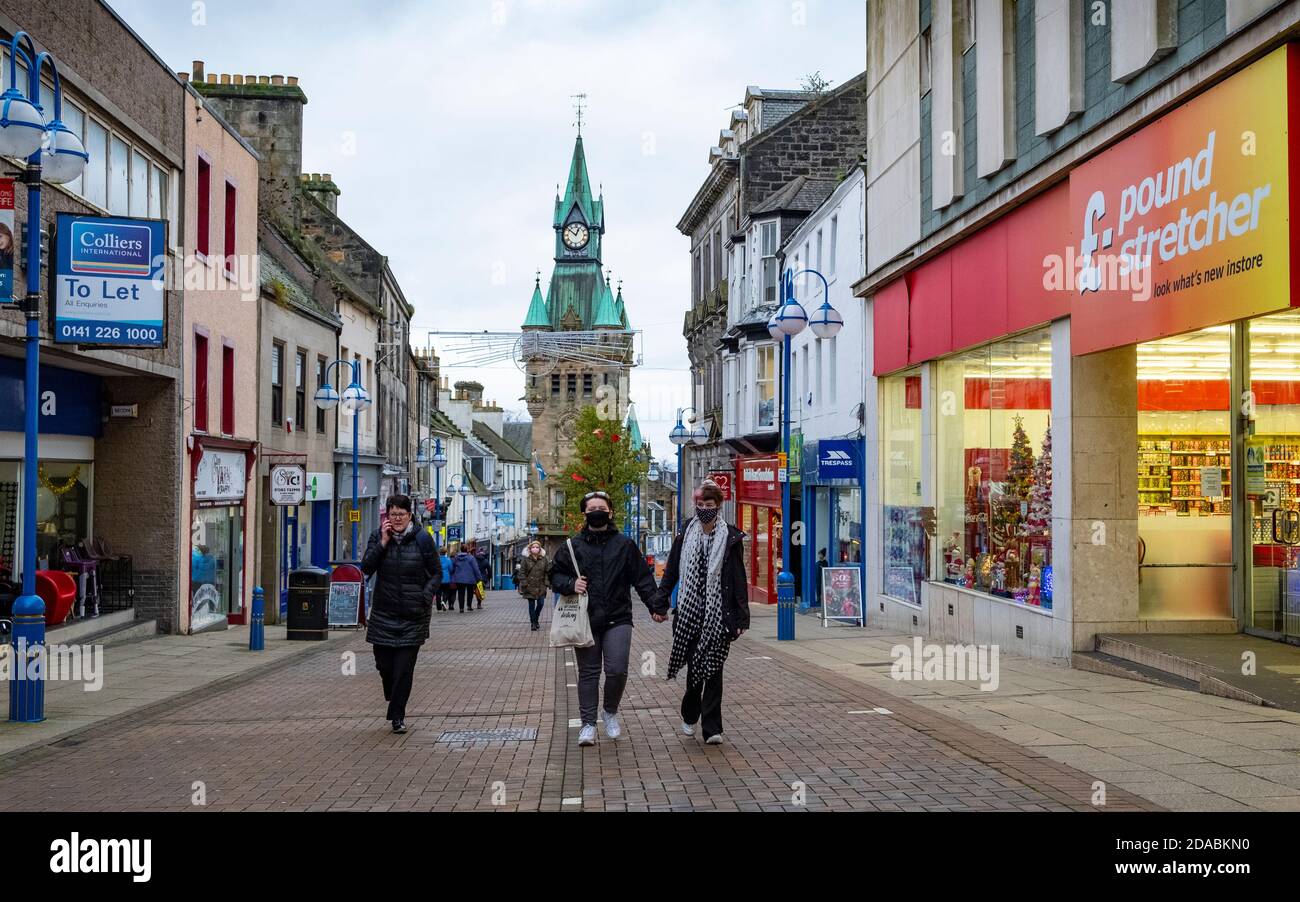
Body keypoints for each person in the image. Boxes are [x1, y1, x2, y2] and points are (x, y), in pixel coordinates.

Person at [551, 490, 664, 747]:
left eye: (601, 508)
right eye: (592, 509)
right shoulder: (572, 546)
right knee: (589, 673)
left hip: (618, 616)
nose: (597, 512)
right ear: (585, 514)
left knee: (617, 669)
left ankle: (610, 712)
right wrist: (570, 583)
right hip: (586, 618)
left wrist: (656, 607)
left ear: (610, 512)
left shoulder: (624, 545)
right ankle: (588, 724)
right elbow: (554, 577)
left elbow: (643, 579)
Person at [657, 480, 750, 746]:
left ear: (718, 506)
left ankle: (712, 728)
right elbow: (672, 570)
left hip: (719, 615)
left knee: (714, 671)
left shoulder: (731, 538)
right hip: (689, 613)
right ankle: (689, 714)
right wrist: (660, 602)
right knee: (695, 669)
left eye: (709, 505)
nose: (704, 509)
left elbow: (738, 579)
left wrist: (741, 617)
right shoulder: (685, 533)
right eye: (700, 505)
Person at [361, 495, 441, 734]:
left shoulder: (423, 539)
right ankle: (392, 693)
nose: (396, 519)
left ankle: (397, 716)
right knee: (384, 665)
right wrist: (383, 543)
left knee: (403, 670)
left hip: (413, 615)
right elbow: (366, 568)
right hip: (384, 612)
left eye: (401, 515)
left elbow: (436, 574)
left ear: (410, 515)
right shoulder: (378, 537)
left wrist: (423, 598)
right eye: (392, 515)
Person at [516, 540, 550, 631]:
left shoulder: (544, 559)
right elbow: (521, 573)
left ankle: (536, 618)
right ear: (530, 549)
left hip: (541, 586)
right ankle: (533, 623)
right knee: (531, 605)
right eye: (533, 547)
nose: (535, 548)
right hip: (529, 586)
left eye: (537, 547)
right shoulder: (526, 560)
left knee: (540, 604)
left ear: (540, 549)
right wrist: (525, 583)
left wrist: (547, 583)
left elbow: (548, 572)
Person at [450, 544, 483, 613]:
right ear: (467, 550)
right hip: (470, 578)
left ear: (461, 550)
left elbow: (452, 568)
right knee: (470, 592)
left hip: (459, 579)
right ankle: (469, 606)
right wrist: (479, 577)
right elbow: (476, 569)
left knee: (460, 593)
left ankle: (461, 608)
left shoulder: (456, 558)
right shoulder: (471, 558)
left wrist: (452, 573)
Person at [438, 546, 454, 611]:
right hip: (446, 579)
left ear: (439, 552)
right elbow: (451, 569)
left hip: (438, 579)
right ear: (445, 552)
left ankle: (438, 607)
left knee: (438, 593)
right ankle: (444, 602)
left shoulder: (436, 559)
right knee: (446, 592)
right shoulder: (448, 560)